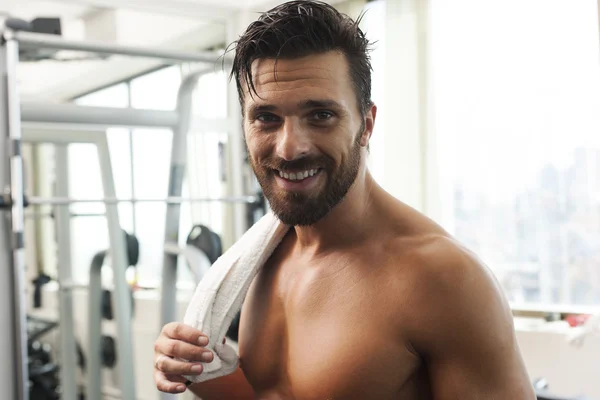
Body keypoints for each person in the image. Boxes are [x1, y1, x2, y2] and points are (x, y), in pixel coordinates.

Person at [153, 1, 536, 399]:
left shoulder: (443, 279)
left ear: (365, 124)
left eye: (320, 115)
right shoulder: (262, 260)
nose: (289, 148)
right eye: (267, 118)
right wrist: (200, 367)